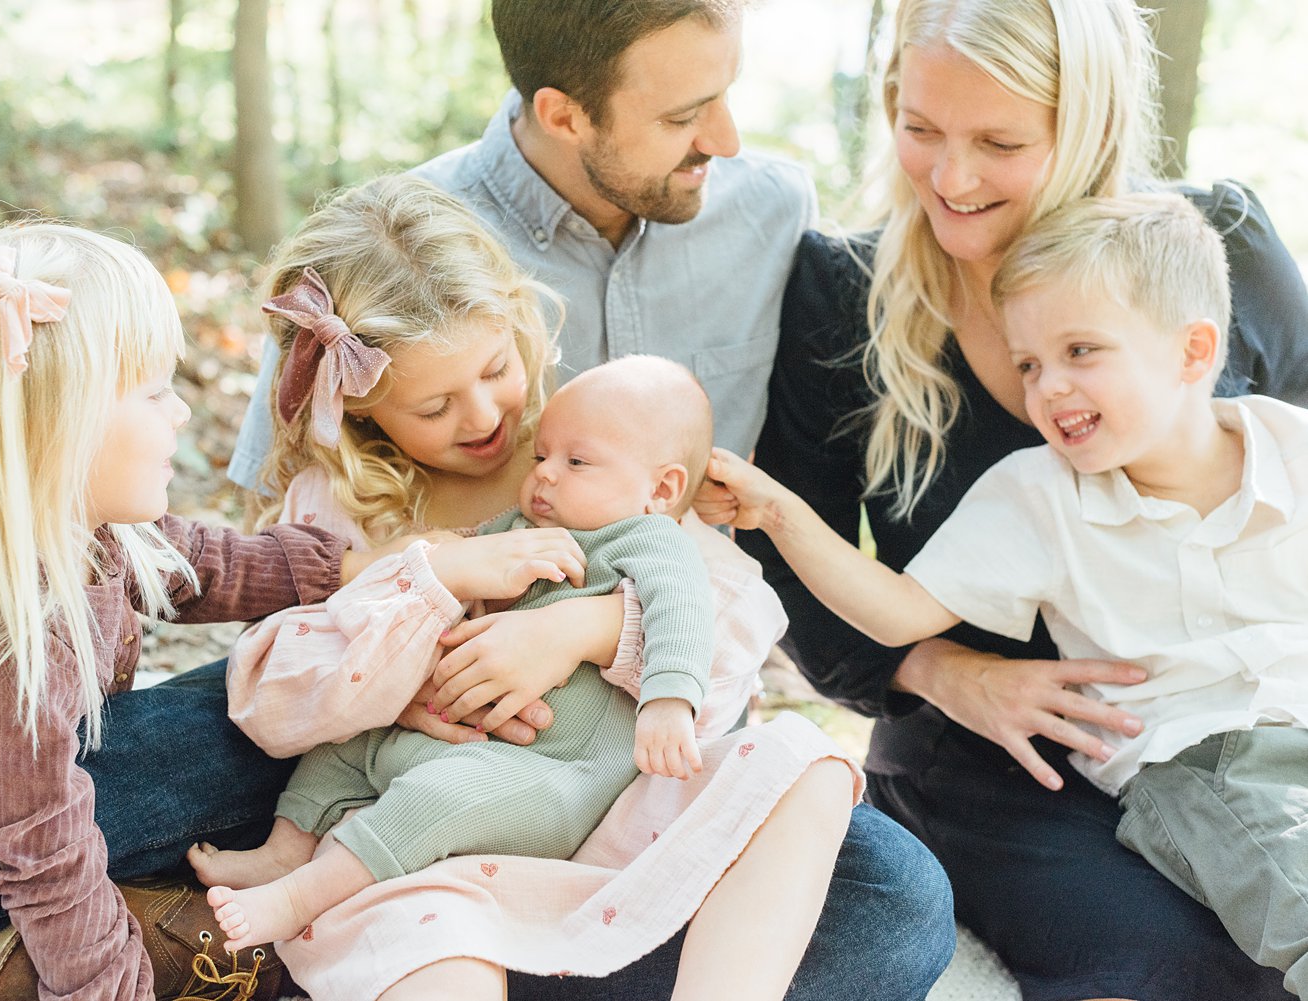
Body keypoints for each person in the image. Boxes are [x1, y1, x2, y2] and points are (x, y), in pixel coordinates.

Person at [226, 2, 955, 994]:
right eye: (436, 402)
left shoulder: (579, 447)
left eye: (497, 371)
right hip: (429, 812)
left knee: (892, 897)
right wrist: (429, 599)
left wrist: (583, 630)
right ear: (567, 115)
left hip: (622, 798)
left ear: (522, 333)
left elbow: (728, 609)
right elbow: (272, 661)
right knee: (197, 742)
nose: (487, 416)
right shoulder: (377, 320)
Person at [742, 1, 1308, 998]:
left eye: (999, 142)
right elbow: (791, 560)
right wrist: (944, 669)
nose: (950, 179)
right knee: (1177, 967)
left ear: (1086, 124)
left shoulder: (1215, 246)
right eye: (920, 130)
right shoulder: (844, 290)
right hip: (1002, 765)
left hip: (1255, 723)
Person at [0, 224, 364, 1001]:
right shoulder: (14, 639)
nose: (180, 413)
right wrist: (112, 986)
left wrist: (356, 569)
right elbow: (43, 853)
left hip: (3, 792)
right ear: (52, 430)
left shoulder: (75, 525)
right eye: (153, 392)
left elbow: (201, 563)